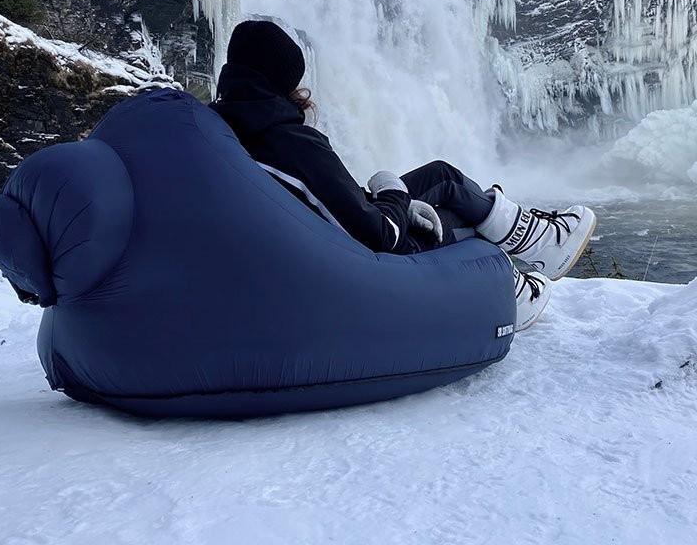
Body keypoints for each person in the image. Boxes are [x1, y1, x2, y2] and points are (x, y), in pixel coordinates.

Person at [209, 20, 597, 331]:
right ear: (284, 80)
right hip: (360, 261)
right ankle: (512, 288)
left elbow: (315, 201)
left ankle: (538, 247)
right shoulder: (290, 141)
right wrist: (392, 192)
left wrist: (388, 199)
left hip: (311, 248)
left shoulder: (227, 124)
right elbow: (377, 234)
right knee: (450, 211)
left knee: (440, 176)